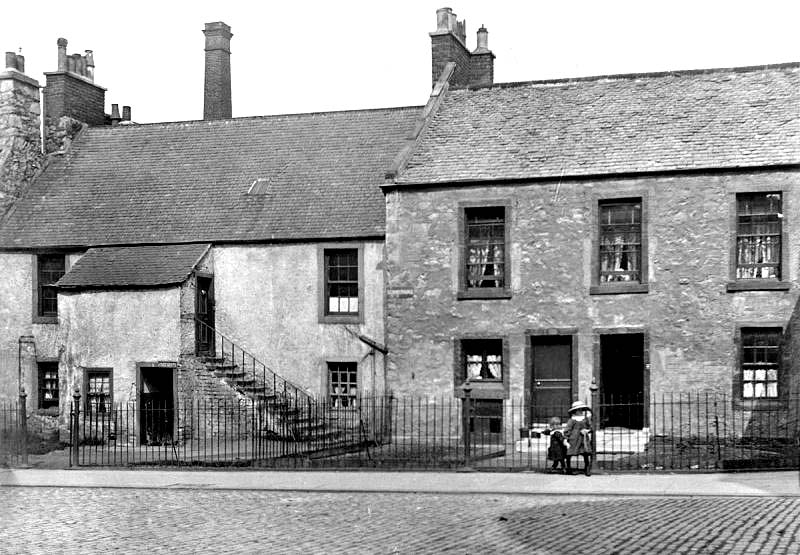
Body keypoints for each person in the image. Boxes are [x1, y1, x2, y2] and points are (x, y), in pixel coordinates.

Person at [564, 400, 594, 476]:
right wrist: (566, 438)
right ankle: (568, 468)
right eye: (578, 410)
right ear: (574, 411)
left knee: (585, 453)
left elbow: (590, 427)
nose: (580, 411)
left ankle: (587, 468)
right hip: (574, 438)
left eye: (581, 409)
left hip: (583, 438)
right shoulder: (572, 420)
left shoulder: (585, 419)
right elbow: (567, 429)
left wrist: (587, 430)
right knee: (570, 453)